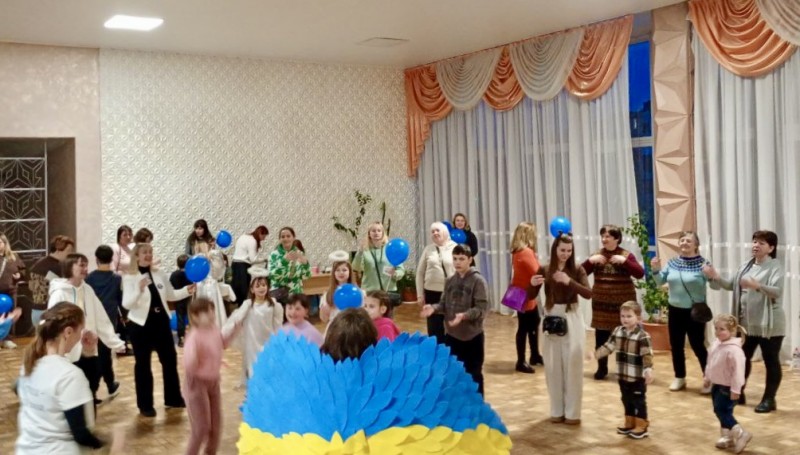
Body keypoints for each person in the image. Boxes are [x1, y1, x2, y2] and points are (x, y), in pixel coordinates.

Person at [16, 303, 125, 454]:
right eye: (81, 330)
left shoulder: (29, 364)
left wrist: (88, 352)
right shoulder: (68, 375)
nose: (81, 335)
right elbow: (81, 434)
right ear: (68, 332)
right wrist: (109, 445)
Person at [703, 230, 785, 413]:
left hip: (770, 325)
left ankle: (769, 399)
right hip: (746, 323)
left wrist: (758, 286)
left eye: (761, 243)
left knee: (771, 361)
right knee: (741, 358)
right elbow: (730, 285)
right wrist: (715, 276)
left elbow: (777, 291)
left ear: (771, 248)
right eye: (755, 241)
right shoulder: (745, 266)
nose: (756, 245)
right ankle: (738, 392)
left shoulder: (775, 267)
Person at [122, 242, 194, 417]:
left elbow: (171, 295)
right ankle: (145, 405)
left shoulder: (159, 274)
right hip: (140, 325)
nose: (148, 255)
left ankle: (173, 398)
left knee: (169, 360)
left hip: (161, 321)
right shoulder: (130, 277)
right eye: (144, 252)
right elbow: (126, 304)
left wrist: (187, 290)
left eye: (150, 252)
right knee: (143, 365)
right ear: (136, 256)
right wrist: (138, 289)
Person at [530, 233, 592, 424]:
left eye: (569, 251)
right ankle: (556, 410)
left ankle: (573, 413)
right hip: (551, 317)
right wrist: (531, 285)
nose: (565, 254)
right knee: (552, 366)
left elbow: (588, 293)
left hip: (572, 317)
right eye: (562, 250)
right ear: (555, 249)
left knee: (573, 364)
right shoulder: (545, 269)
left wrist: (569, 281)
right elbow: (530, 295)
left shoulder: (577, 269)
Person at [48, 253, 126, 405]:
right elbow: (50, 323)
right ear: (70, 267)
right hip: (68, 351)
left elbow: (101, 318)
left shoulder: (87, 289)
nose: (85, 269)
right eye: (81, 265)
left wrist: (114, 342)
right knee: (71, 391)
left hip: (89, 347)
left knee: (91, 383)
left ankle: (89, 406)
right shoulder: (59, 293)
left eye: (86, 265)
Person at [420, 244, 488, 395]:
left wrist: (464, 316)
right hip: (452, 336)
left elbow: (481, 309)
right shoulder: (450, 280)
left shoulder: (478, 281)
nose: (457, 262)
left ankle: (477, 405)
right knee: (454, 374)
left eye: (461, 259)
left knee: (474, 374)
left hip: (472, 337)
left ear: (470, 260)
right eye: (455, 259)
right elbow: (444, 304)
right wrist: (434, 308)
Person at [651, 231, 711, 393]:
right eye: (682, 240)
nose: (684, 243)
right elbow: (660, 281)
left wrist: (712, 275)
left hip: (695, 312)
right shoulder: (672, 262)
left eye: (688, 241)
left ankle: (709, 378)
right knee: (676, 345)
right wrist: (655, 270)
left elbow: (714, 284)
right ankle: (679, 377)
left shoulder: (703, 263)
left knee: (698, 345)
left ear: (696, 245)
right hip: (675, 310)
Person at [582, 224, 644, 380]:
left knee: (627, 337)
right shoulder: (597, 255)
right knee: (601, 338)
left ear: (617, 238)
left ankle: (628, 369)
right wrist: (590, 261)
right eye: (602, 236)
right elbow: (579, 273)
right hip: (601, 306)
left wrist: (625, 262)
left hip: (623, 307)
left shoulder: (626, 255)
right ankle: (601, 368)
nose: (604, 239)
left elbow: (640, 274)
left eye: (608, 236)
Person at [182, 297, 238, 455]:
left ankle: (210, 452)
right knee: (201, 428)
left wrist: (235, 330)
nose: (212, 314)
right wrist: (193, 359)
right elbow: (189, 363)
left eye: (212, 310)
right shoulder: (194, 336)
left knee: (216, 425)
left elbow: (223, 344)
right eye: (207, 311)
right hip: (196, 384)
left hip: (213, 382)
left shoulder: (214, 329)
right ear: (195, 316)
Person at [592, 301, 654, 439]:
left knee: (638, 401)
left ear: (638, 318)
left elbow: (647, 355)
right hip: (623, 376)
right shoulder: (617, 331)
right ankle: (629, 422)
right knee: (626, 399)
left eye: (629, 316)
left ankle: (642, 426)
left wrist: (648, 370)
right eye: (623, 316)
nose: (625, 319)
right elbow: (608, 346)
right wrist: (596, 354)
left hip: (637, 378)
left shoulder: (643, 336)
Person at [223, 268, 283, 385]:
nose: (261, 288)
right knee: (253, 369)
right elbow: (237, 319)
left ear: (268, 287)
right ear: (252, 289)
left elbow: (277, 324)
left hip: (267, 341)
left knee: (267, 367)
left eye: (264, 285)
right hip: (252, 343)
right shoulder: (248, 304)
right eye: (258, 286)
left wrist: (278, 340)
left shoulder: (273, 304)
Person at [703, 314, 751, 453]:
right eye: (716, 329)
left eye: (722, 329)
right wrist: (707, 377)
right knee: (722, 411)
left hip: (728, 387)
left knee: (721, 410)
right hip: (717, 384)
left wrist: (736, 389)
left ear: (732, 330)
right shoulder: (716, 344)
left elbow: (738, 372)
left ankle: (741, 433)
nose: (718, 332)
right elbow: (710, 362)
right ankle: (727, 437)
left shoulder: (734, 351)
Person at [84, 245, 123, 402]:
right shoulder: (117, 278)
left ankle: (107, 384)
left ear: (96, 259)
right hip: (109, 321)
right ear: (112, 258)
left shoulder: (89, 278)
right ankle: (96, 388)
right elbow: (120, 300)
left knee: (98, 355)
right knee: (104, 355)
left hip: (92, 320)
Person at [508, 222, 543, 373]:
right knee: (524, 327)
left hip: (520, 292)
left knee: (533, 322)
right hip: (525, 294)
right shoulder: (526, 252)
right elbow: (537, 271)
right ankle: (521, 361)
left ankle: (534, 355)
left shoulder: (517, 251)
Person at [416, 222, 456, 344]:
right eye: (432, 231)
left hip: (450, 292)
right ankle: (436, 350)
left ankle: (451, 351)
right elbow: (420, 272)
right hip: (431, 293)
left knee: (452, 325)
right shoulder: (428, 249)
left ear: (445, 232)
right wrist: (420, 294)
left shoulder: (455, 247)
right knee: (434, 326)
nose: (435, 233)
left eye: (437, 230)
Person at [28, 235, 75, 329]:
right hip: (50, 313)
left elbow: (30, 287)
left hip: (36, 311)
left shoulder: (37, 265)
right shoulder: (58, 268)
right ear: (58, 250)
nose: (70, 254)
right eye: (68, 251)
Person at [353, 221, 405, 296]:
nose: (376, 233)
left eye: (379, 230)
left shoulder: (390, 249)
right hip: (369, 290)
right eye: (373, 231)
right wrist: (360, 252)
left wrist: (395, 273)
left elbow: (401, 269)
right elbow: (356, 267)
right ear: (369, 234)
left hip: (388, 290)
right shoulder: (365, 250)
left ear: (383, 233)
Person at [268, 227, 311, 303]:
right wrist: (284, 262)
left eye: (288, 236)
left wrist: (306, 265)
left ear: (293, 238)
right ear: (279, 239)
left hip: (296, 293)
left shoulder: (299, 253)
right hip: (279, 294)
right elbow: (272, 275)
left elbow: (306, 277)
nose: (285, 239)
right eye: (283, 237)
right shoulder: (274, 255)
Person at [319, 252, 360, 332]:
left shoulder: (358, 292)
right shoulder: (328, 294)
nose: (341, 273)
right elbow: (324, 319)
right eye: (337, 270)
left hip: (353, 328)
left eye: (344, 270)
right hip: (335, 329)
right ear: (333, 273)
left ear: (349, 272)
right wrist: (325, 310)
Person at [231, 226, 269, 306]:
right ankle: (242, 308)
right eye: (264, 236)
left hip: (234, 264)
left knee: (236, 289)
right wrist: (265, 259)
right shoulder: (253, 241)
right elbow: (253, 259)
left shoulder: (244, 236)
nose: (263, 239)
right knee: (243, 291)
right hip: (242, 266)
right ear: (260, 234)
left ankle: (238, 308)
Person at [0, 233, 24, 348]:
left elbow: (23, 270)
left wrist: (19, 275)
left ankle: (7, 338)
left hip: (10, 291)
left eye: (0, 242)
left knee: (9, 314)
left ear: (5, 244)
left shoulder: (13, 257)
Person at [168, 254, 192, 347]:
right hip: (189, 298)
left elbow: (170, 285)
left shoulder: (174, 274)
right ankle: (193, 338)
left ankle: (181, 338)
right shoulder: (190, 274)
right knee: (191, 318)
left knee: (180, 319)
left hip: (178, 299)